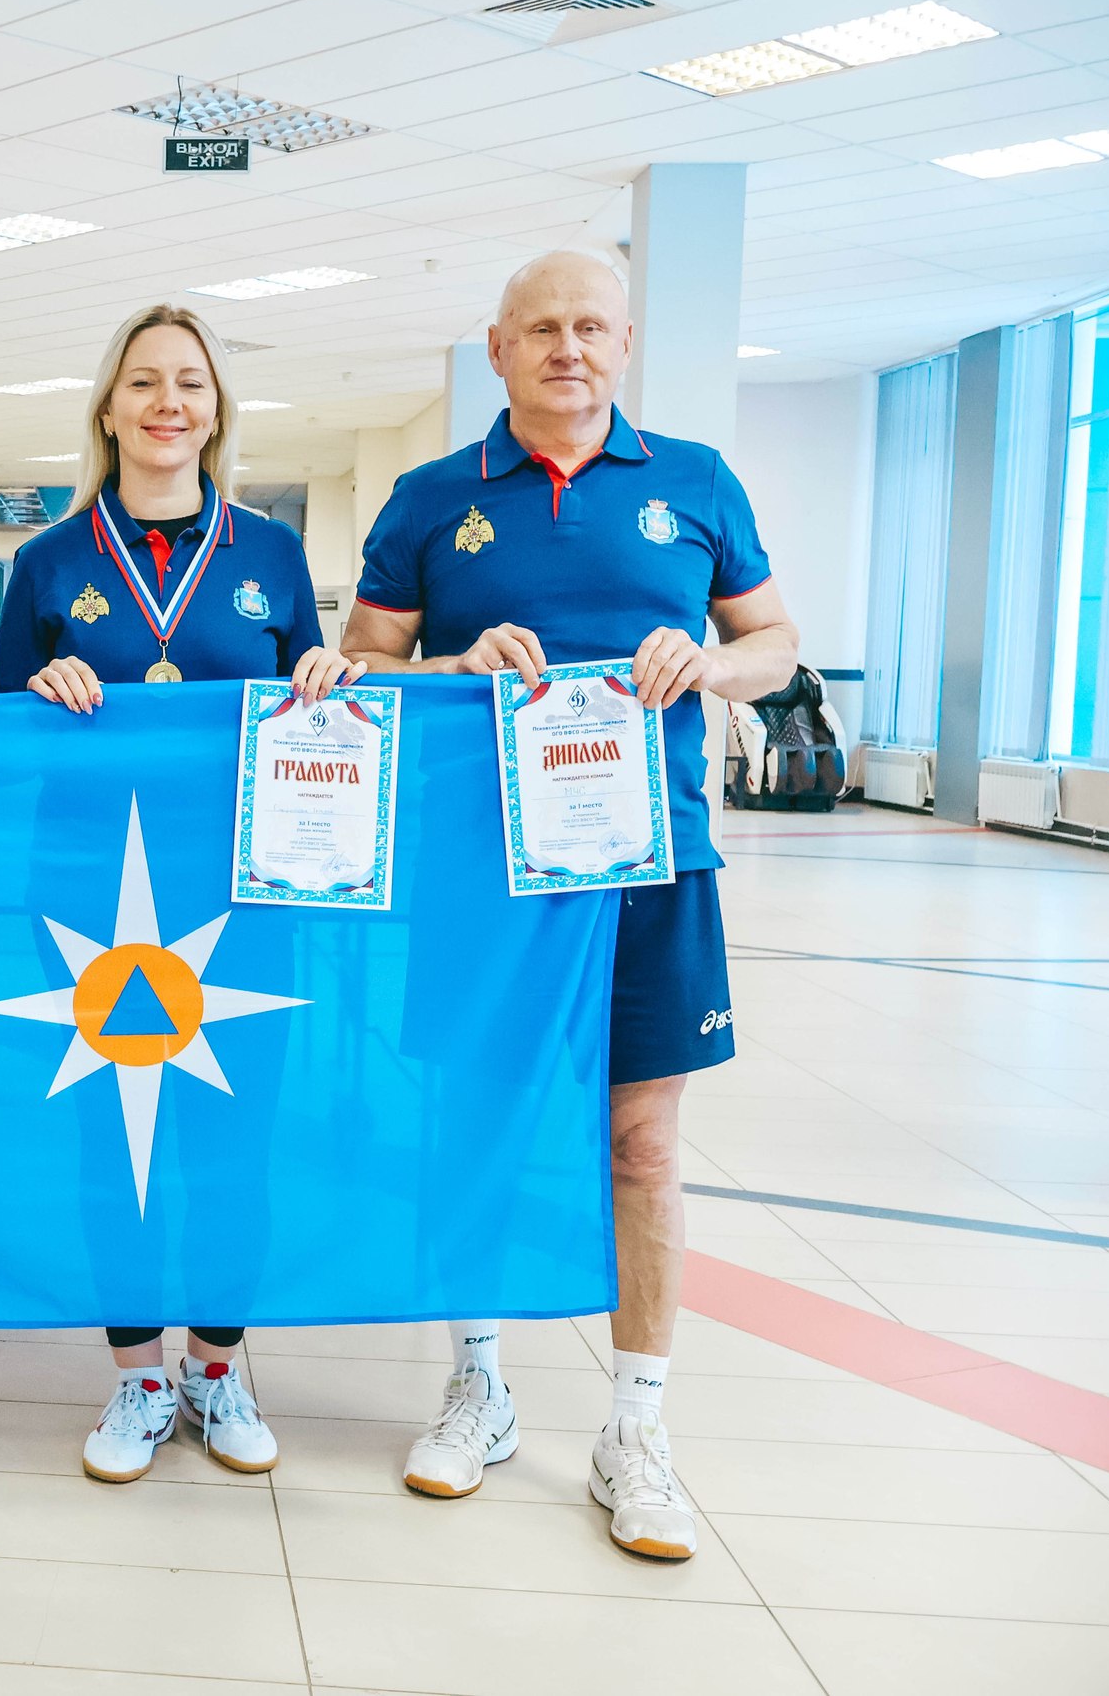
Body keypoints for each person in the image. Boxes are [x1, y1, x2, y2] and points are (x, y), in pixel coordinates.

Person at [341, 250, 798, 1561]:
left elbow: (776, 646)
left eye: (591, 325)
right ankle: (477, 1385)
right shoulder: (433, 496)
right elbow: (359, 662)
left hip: (656, 863)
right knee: (474, 1120)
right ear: (497, 348)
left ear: (625, 341)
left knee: (642, 1146)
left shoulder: (695, 480)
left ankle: (635, 1427)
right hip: (479, 870)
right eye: (540, 327)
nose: (568, 347)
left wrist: (709, 661)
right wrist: (449, 660)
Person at [0, 303, 360, 1484]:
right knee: (117, 1141)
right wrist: (34, 693)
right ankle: (138, 1375)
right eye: (143, 381)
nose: (166, 402)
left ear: (215, 409)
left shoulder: (269, 556)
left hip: (241, 898)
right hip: (88, 903)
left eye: (189, 383)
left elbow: (313, 708)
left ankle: (216, 1366)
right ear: (108, 407)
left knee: (233, 1139)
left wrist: (323, 673)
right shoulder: (47, 562)